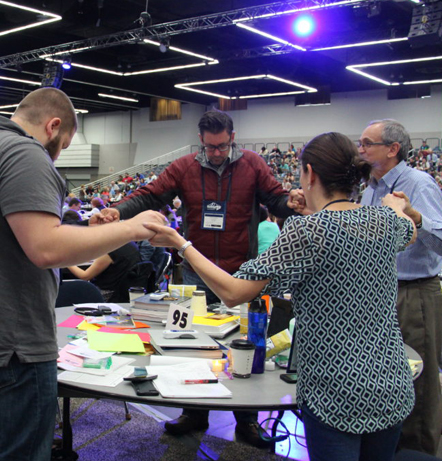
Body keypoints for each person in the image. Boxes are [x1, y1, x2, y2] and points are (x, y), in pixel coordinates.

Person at [145, 132, 416, 461]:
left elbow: (233, 291)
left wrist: (181, 244)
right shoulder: (384, 220)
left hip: (336, 392)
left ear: (310, 173)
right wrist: (398, 206)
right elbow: (409, 228)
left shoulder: (307, 230)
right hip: (393, 384)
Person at [0, 87, 165, 461]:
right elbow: (46, 248)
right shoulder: (24, 154)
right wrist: (132, 228)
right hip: (11, 344)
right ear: (53, 126)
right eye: (63, 144)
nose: (57, 153)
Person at [93, 109, 306, 447]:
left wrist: (291, 201)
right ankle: (194, 412)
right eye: (210, 147)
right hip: (195, 270)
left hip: (241, 272)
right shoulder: (185, 166)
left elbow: (275, 200)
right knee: (193, 345)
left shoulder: (253, 164)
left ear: (232, 138)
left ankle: (247, 421)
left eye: (221, 146)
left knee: (246, 345)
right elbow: (150, 194)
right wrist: (119, 210)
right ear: (201, 142)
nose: (216, 153)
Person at [357, 119, 442, 455]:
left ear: (392, 149)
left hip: (414, 293)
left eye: (367, 143)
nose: (360, 149)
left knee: (417, 381)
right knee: (387, 377)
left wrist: (417, 217)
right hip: (379, 295)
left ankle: (418, 451)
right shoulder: (370, 189)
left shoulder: (418, 183)